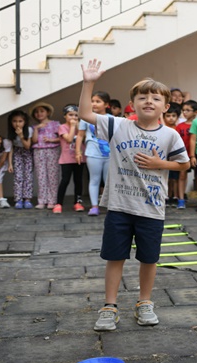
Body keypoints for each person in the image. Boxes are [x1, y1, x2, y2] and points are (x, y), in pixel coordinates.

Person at [78, 59, 190, 331]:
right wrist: (88, 82)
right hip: (119, 206)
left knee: (149, 259)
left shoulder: (171, 135)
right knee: (115, 257)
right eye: (142, 97)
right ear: (133, 104)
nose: (149, 101)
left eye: (155, 98)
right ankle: (109, 306)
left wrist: (160, 164)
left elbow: (184, 164)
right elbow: (84, 114)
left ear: (166, 106)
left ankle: (144, 302)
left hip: (151, 208)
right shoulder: (117, 125)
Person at [77, 91, 112, 216]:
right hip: (92, 153)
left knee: (109, 181)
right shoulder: (86, 118)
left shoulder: (111, 119)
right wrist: (78, 152)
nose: (94, 104)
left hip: (110, 155)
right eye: (92, 101)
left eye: (98, 101)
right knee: (94, 180)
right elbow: (80, 136)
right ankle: (94, 206)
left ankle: (110, 207)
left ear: (106, 104)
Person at [54, 104, 85, 214]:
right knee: (65, 180)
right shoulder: (62, 127)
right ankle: (59, 203)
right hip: (66, 159)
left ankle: (78, 202)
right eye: (70, 115)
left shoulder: (81, 126)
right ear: (65, 116)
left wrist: (78, 127)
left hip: (80, 159)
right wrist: (72, 127)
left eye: (76, 115)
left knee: (78, 181)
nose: (73, 118)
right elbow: (69, 139)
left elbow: (84, 137)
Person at [30, 102, 61, 209]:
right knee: (41, 176)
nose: (39, 114)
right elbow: (33, 141)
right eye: (37, 112)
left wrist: (51, 140)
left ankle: (52, 200)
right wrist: (36, 129)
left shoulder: (55, 124)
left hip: (52, 150)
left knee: (53, 176)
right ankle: (42, 200)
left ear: (47, 112)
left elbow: (62, 138)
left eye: (42, 111)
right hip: (39, 151)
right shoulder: (34, 127)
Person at [6, 110, 34, 209]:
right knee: (18, 177)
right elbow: (10, 149)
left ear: (25, 121)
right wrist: (10, 164)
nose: (17, 124)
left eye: (20, 121)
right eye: (14, 121)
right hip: (17, 153)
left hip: (27, 154)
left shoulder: (29, 130)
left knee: (28, 176)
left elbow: (27, 146)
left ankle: (27, 199)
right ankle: (18, 199)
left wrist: (21, 135)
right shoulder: (11, 133)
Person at [175, 100, 197, 209]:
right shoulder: (179, 126)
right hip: (183, 154)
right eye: (183, 110)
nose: (185, 112)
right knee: (182, 175)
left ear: (196, 112)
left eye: (188, 110)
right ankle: (181, 199)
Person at [163, 105, 182, 207]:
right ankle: (165, 196)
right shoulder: (161, 127)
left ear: (177, 117)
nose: (171, 118)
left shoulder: (178, 128)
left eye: (173, 116)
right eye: (168, 115)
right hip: (164, 157)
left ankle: (174, 196)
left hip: (176, 157)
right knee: (166, 178)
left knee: (175, 178)